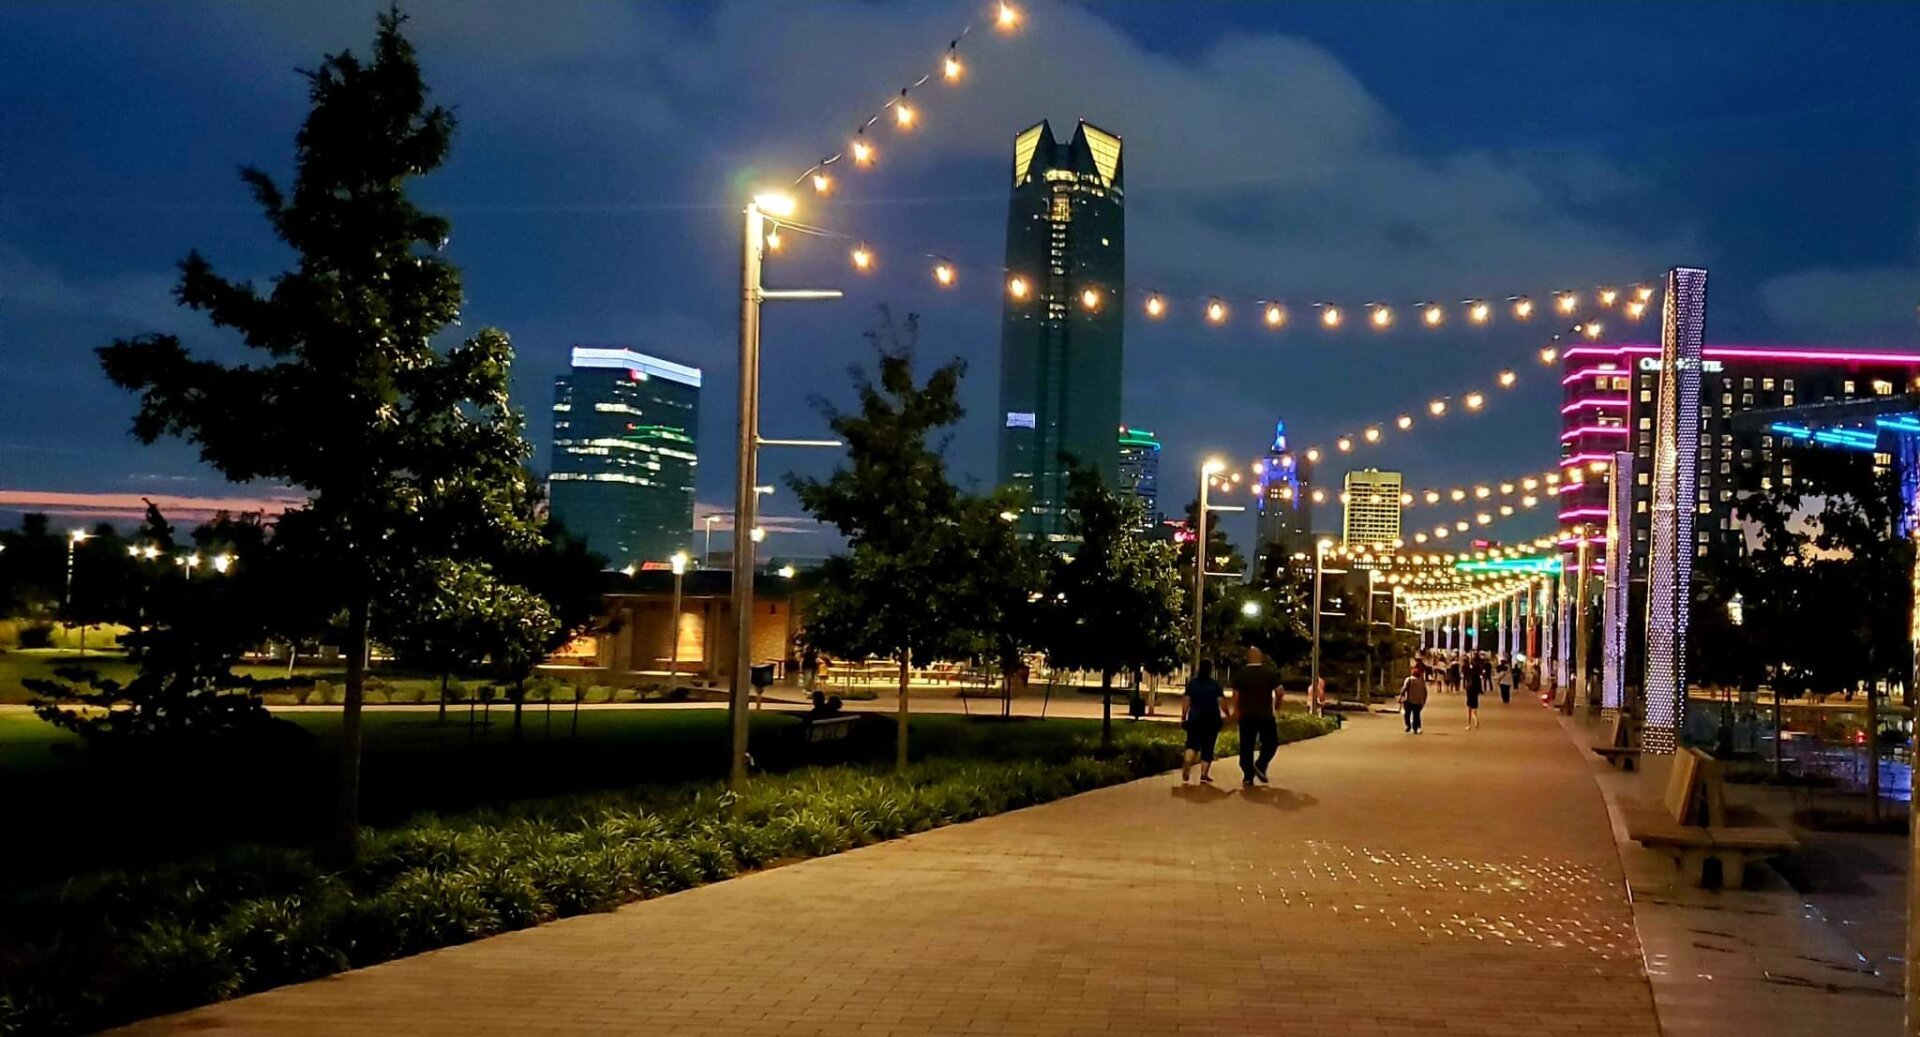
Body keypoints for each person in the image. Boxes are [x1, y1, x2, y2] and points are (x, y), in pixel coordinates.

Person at [1230, 647, 1283, 786]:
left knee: (1246, 746)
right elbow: (1279, 691)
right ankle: (1260, 764)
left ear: (1248, 658)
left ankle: (1248, 776)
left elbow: (1236, 695)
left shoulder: (1241, 673)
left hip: (1246, 715)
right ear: (1260, 657)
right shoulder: (1268, 673)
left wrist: (1236, 710)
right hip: (1265, 714)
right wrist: (1277, 705)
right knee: (1271, 743)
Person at [1180, 660, 1226, 784]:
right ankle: (1204, 774)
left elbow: (1186, 701)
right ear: (1210, 670)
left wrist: (1183, 716)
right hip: (1211, 719)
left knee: (1191, 744)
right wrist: (1227, 713)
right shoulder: (1215, 685)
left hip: (1195, 718)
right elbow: (1221, 702)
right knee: (1208, 746)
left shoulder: (1192, 684)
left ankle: (1188, 761)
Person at [1400, 663, 1429, 733]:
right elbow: (1425, 692)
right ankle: (1415, 728)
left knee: (1407, 714)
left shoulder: (1409, 679)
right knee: (1416, 715)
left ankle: (1408, 726)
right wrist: (1423, 701)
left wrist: (1401, 696)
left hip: (1409, 700)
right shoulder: (1422, 682)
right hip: (1418, 701)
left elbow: (1404, 689)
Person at [1463, 652, 1483, 729]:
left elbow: (1467, 677)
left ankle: (1468, 724)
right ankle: (1476, 720)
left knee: (1469, 708)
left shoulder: (1471, 675)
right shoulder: (1478, 676)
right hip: (1475, 692)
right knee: (1474, 708)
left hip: (1470, 691)